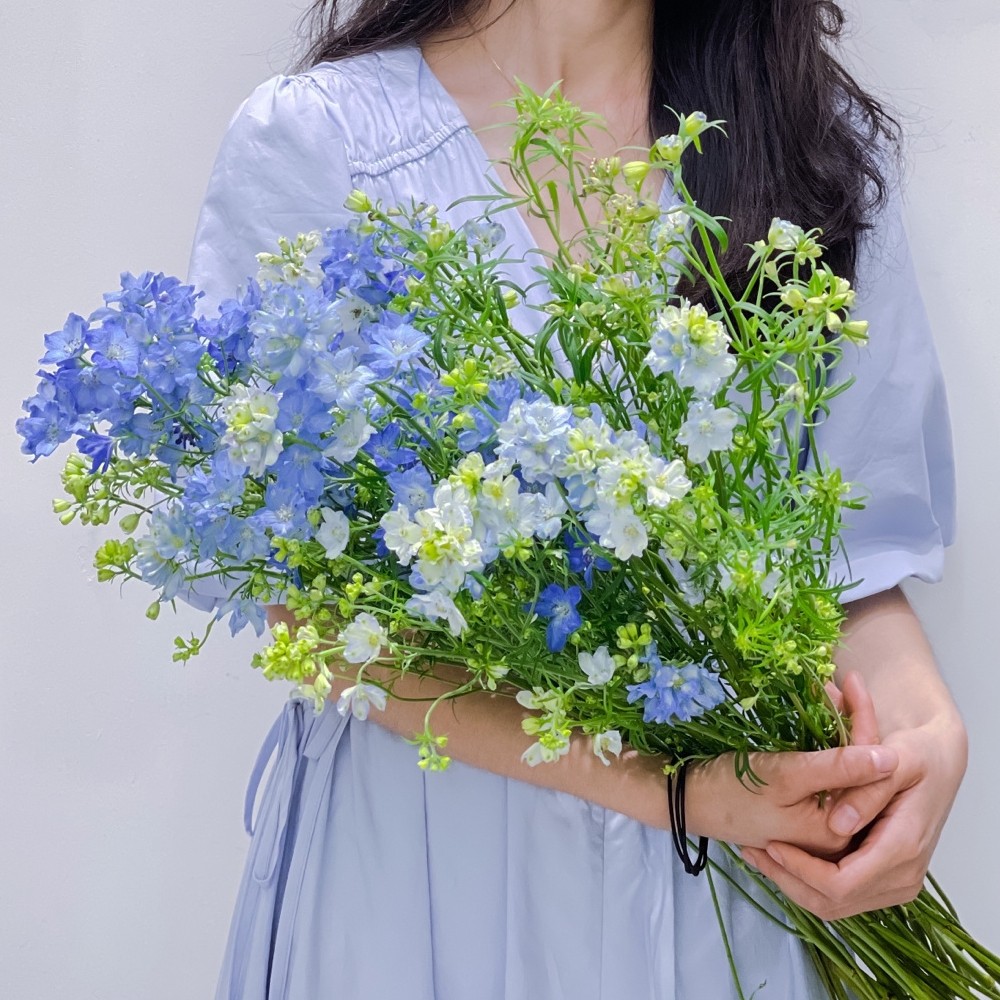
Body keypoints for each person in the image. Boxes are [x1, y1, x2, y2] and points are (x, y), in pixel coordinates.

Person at [186, 1, 967, 996]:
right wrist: (671, 793)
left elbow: (848, 567)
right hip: (428, 865)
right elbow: (314, 613)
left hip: (729, 882)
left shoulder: (806, 148)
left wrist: (920, 736)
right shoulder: (317, 141)